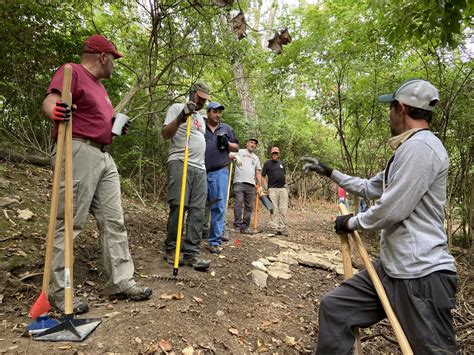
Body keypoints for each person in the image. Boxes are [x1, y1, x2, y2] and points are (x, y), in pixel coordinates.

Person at [302, 79, 458, 354]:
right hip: (392, 268)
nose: (388, 115)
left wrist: (352, 222)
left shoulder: (421, 148)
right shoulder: (405, 150)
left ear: (401, 108)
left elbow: (392, 209)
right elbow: (370, 187)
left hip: (421, 275)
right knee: (336, 308)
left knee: (434, 351)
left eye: (390, 108)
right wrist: (330, 172)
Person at [42, 34, 152, 315]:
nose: (115, 64)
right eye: (114, 58)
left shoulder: (101, 89)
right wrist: (57, 111)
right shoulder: (72, 71)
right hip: (77, 149)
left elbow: (99, 118)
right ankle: (59, 291)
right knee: (69, 221)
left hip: (104, 155)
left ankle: (121, 281)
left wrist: (114, 125)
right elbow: (51, 100)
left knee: (114, 220)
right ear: (102, 56)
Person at [161, 81, 211, 271]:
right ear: (192, 93)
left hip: (200, 168)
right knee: (179, 206)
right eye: (200, 98)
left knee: (198, 211)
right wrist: (182, 116)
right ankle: (172, 249)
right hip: (180, 161)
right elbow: (166, 134)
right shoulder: (176, 108)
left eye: (205, 100)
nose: (202, 103)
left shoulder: (200, 118)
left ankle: (192, 253)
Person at [203, 102, 239, 253]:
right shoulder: (200, 127)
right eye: (214, 112)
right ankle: (193, 238)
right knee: (197, 206)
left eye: (220, 112)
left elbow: (237, 147)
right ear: (208, 112)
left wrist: (228, 143)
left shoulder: (226, 128)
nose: (218, 115)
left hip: (220, 170)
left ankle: (214, 241)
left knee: (218, 206)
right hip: (200, 170)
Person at [233, 138, 263, 234]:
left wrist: (260, 185)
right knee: (238, 202)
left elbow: (258, 171)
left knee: (249, 206)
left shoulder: (256, 157)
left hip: (251, 184)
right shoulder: (240, 151)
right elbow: (230, 155)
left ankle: (245, 227)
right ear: (247, 143)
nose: (253, 144)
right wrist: (235, 157)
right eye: (251, 142)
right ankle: (237, 225)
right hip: (239, 182)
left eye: (254, 143)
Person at [261, 147, 289, 236]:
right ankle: (274, 228)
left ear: (278, 154)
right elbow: (263, 176)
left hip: (283, 189)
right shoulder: (267, 163)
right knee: (273, 209)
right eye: (273, 153)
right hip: (272, 189)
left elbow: (284, 175)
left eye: (276, 153)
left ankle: (282, 228)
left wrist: (286, 186)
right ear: (271, 154)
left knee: (283, 209)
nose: (275, 155)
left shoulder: (282, 163)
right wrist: (265, 187)